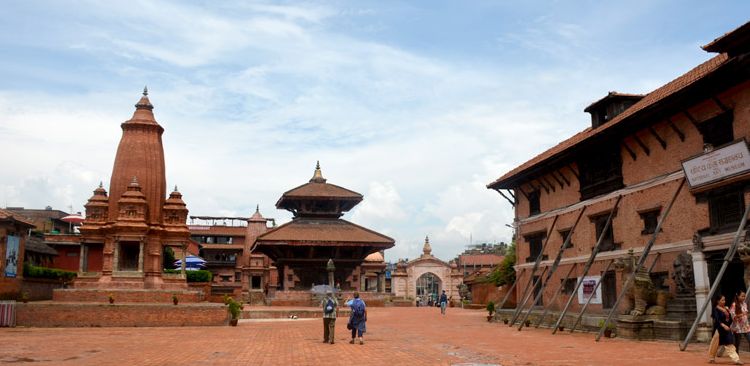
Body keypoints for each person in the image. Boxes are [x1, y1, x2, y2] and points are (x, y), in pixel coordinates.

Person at [709, 294, 742, 364]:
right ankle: (711, 357)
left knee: (729, 343)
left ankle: (736, 359)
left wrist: (734, 319)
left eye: (724, 300)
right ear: (718, 301)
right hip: (719, 329)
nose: (724, 301)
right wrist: (723, 325)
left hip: (727, 329)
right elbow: (717, 320)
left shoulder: (726, 308)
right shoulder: (716, 309)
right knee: (714, 344)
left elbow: (729, 318)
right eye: (722, 300)